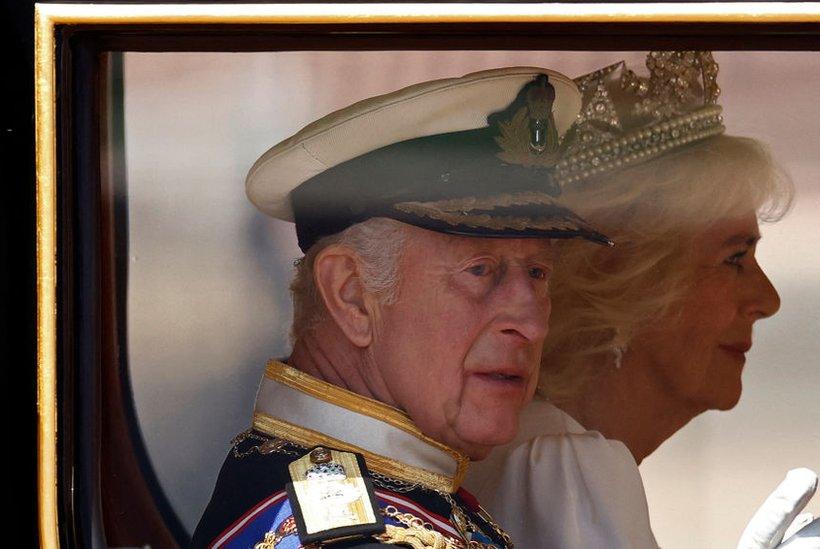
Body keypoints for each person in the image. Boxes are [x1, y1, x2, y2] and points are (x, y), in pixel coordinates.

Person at [190, 66, 612, 549]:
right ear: (352, 295)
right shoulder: (349, 536)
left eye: (538, 274)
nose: (533, 324)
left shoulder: (387, 490)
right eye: (480, 271)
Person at [465, 52, 820, 548]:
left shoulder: (536, 453)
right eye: (735, 258)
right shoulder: (567, 469)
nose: (768, 299)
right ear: (627, 279)